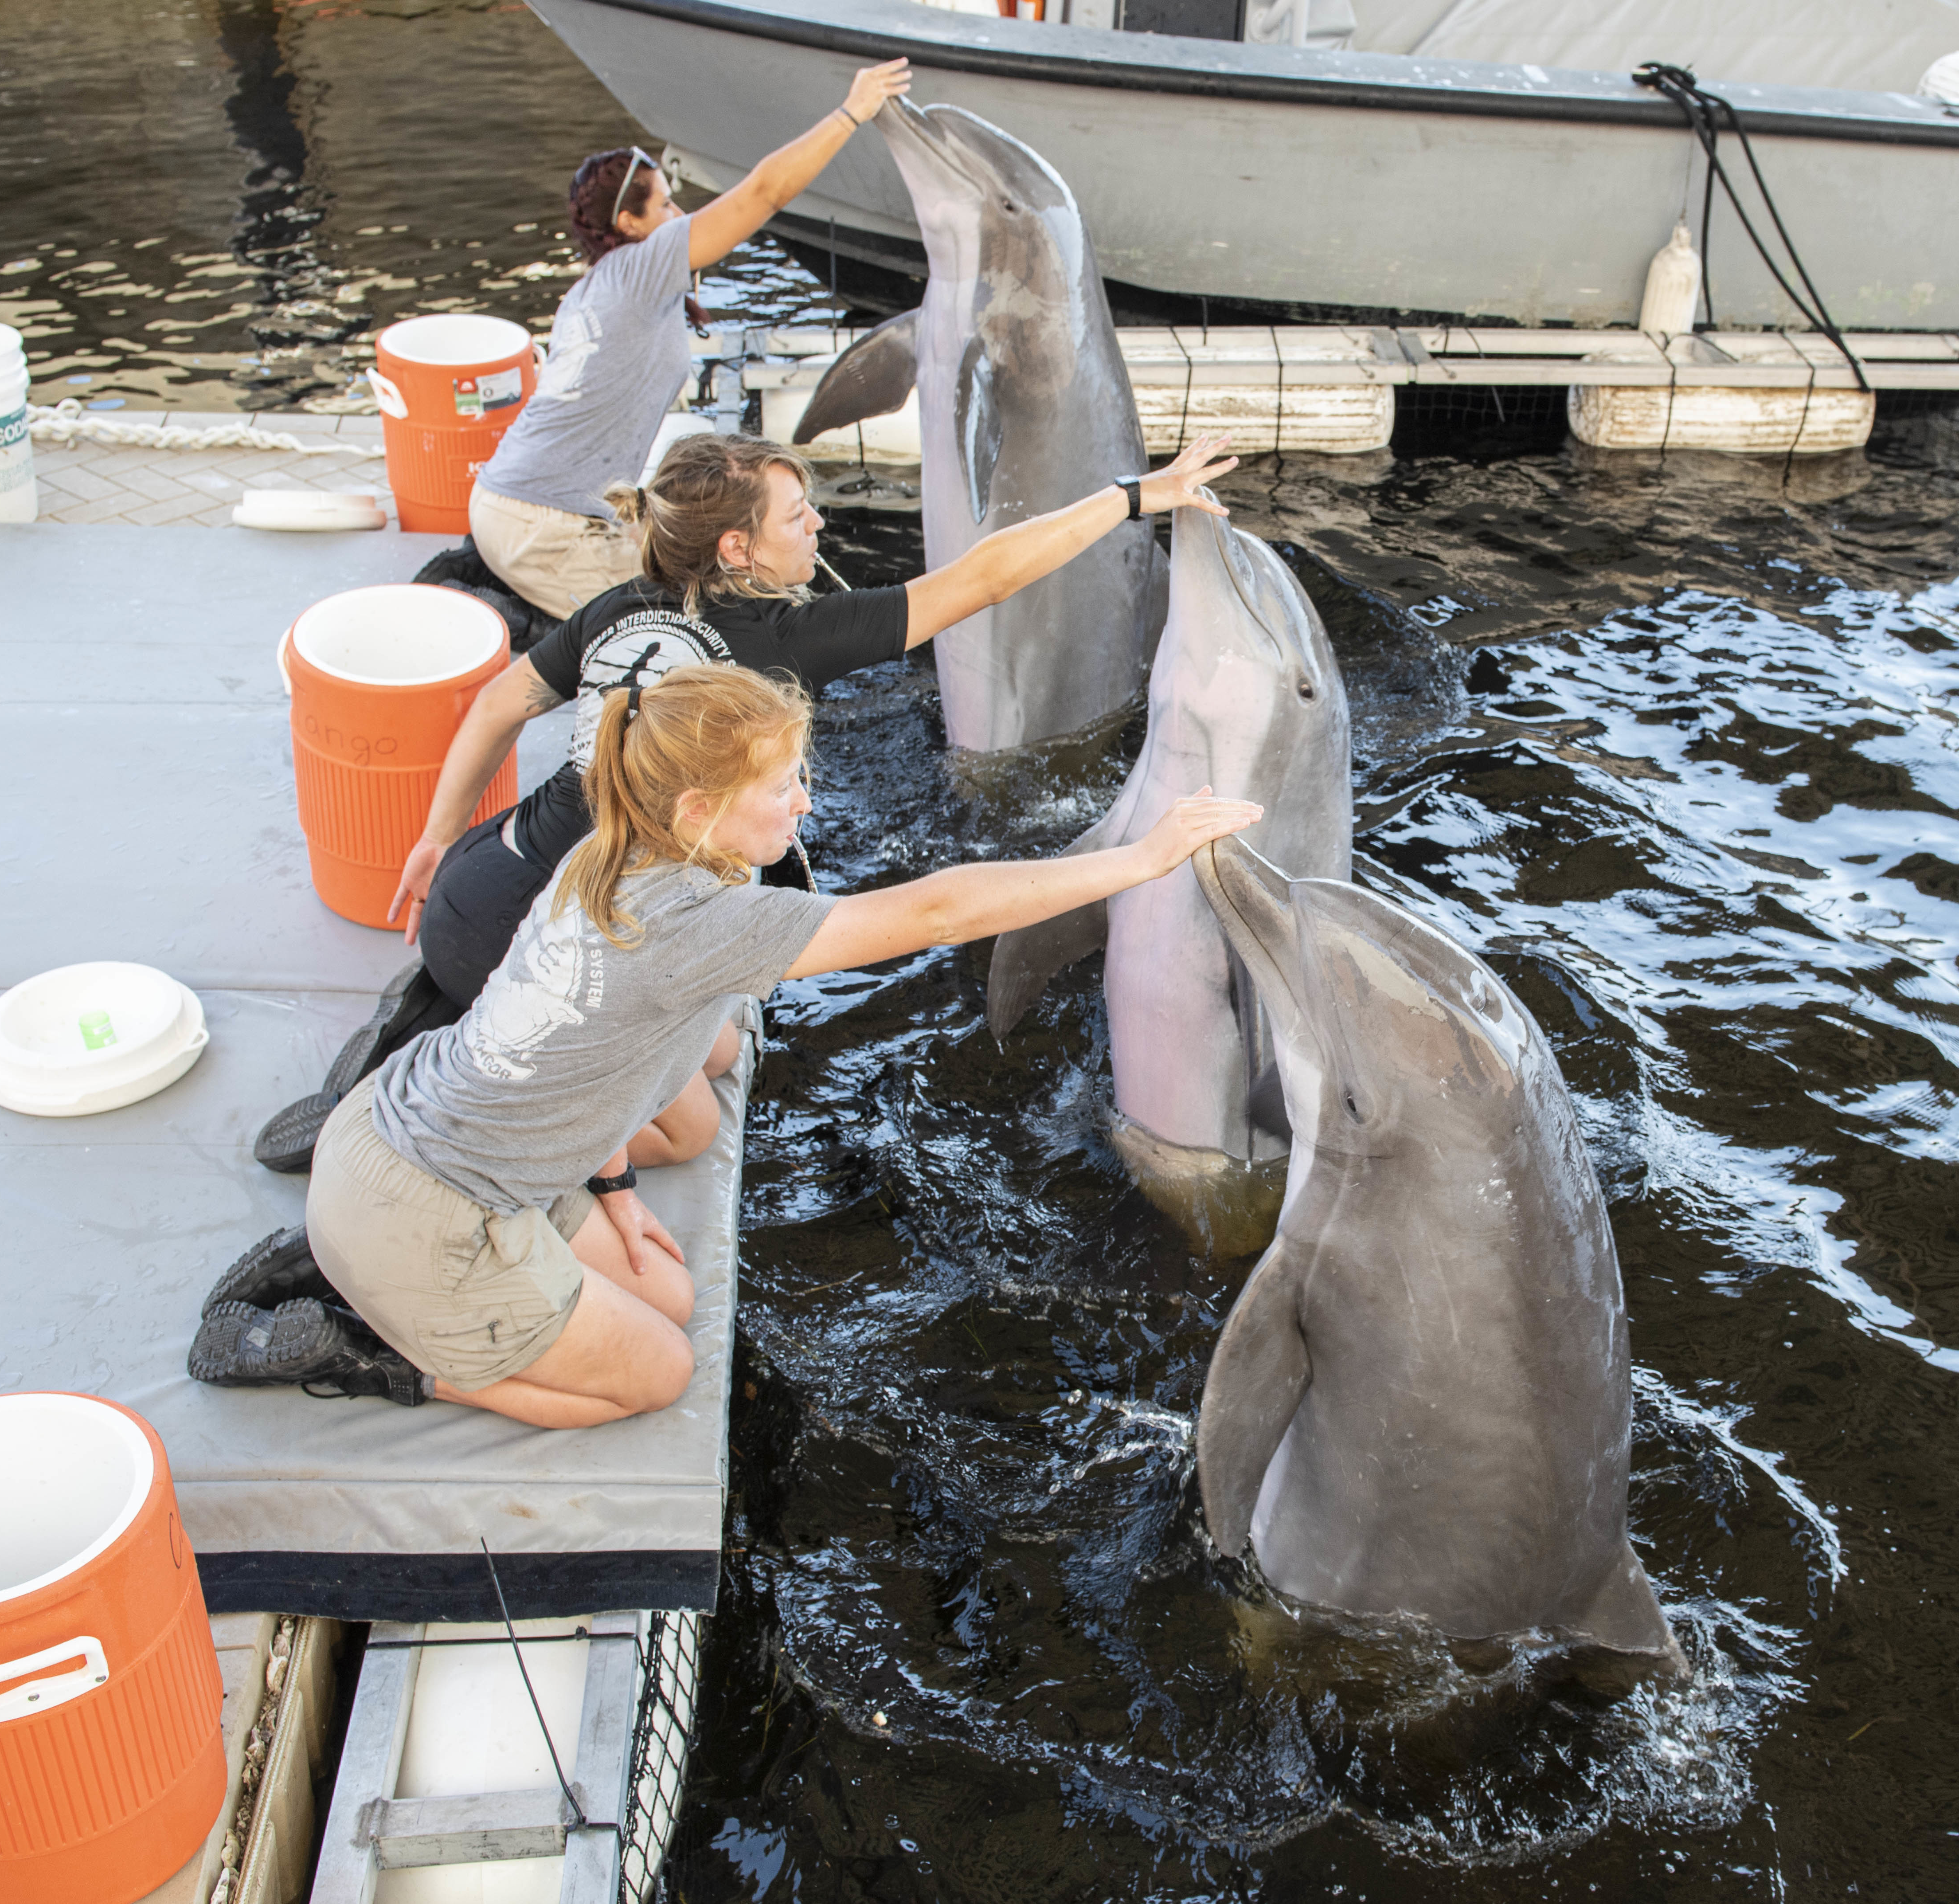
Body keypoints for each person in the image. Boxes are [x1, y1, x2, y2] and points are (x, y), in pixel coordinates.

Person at [193, 665, 1263, 1427]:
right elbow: (938, 912)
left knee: (664, 1291)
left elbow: (571, 1049)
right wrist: (1143, 856)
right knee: (656, 1368)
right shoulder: (702, 924)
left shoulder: (606, 853)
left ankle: (358, 1266)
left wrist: (612, 1191)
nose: (804, 801)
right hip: (429, 1218)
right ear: (701, 808)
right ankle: (367, 1349)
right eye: (782, 786)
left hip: (396, 1130)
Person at [247, 427, 1239, 1171]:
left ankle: (436, 1010)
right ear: (736, 549)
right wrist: (1136, 494)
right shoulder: (788, 640)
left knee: (711, 1033)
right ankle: (444, 1094)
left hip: (476, 879)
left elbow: (501, 699)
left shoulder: (620, 607)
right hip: (555, 950)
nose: (818, 526)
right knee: (696, 1102)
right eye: (796, 516)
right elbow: (982, 579)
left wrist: (431, 838)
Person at [468, 57, 913, 619]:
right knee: (693, 626)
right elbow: (764, 194)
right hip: (543, 527)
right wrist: (852, 113)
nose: (681, 214)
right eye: (665, 204)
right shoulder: (641, 266)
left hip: (519, 507)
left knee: (707, 578)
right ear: (629, 224)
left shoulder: (602, 285)